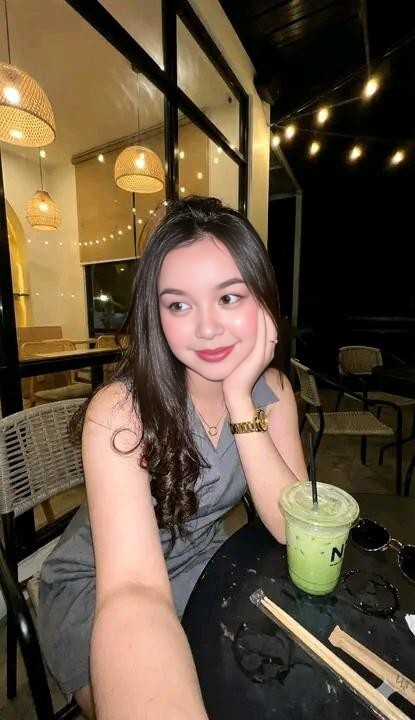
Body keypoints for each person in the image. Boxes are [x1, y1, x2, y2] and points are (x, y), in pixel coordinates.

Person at [38, 196, 308, 719]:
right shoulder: (120, 412)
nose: (206, 328)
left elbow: (294, 528)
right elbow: (133, 590)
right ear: (155, 314)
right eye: (178, 305)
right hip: (100, 582)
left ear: (263, 300)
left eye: (228, 297)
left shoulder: (272, 390)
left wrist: (240, 400)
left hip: (202, 560)